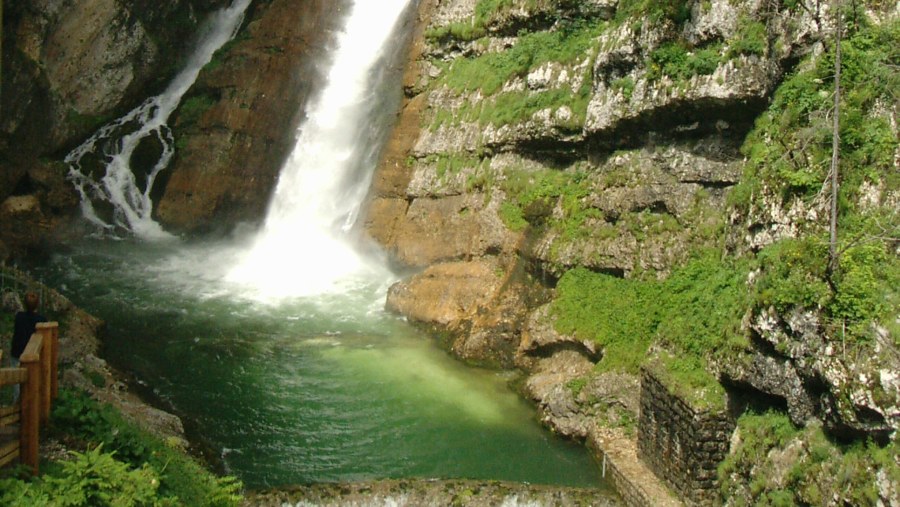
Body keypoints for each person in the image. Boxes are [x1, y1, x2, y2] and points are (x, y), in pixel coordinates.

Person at [11, 292, 46, 401]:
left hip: (18, 353)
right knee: (33, 381)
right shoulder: (42, 320)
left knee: (17, 382)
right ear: (38, 304)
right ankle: (32, 403)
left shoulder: (19, 317)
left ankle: (16, 403)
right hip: (33, 355)